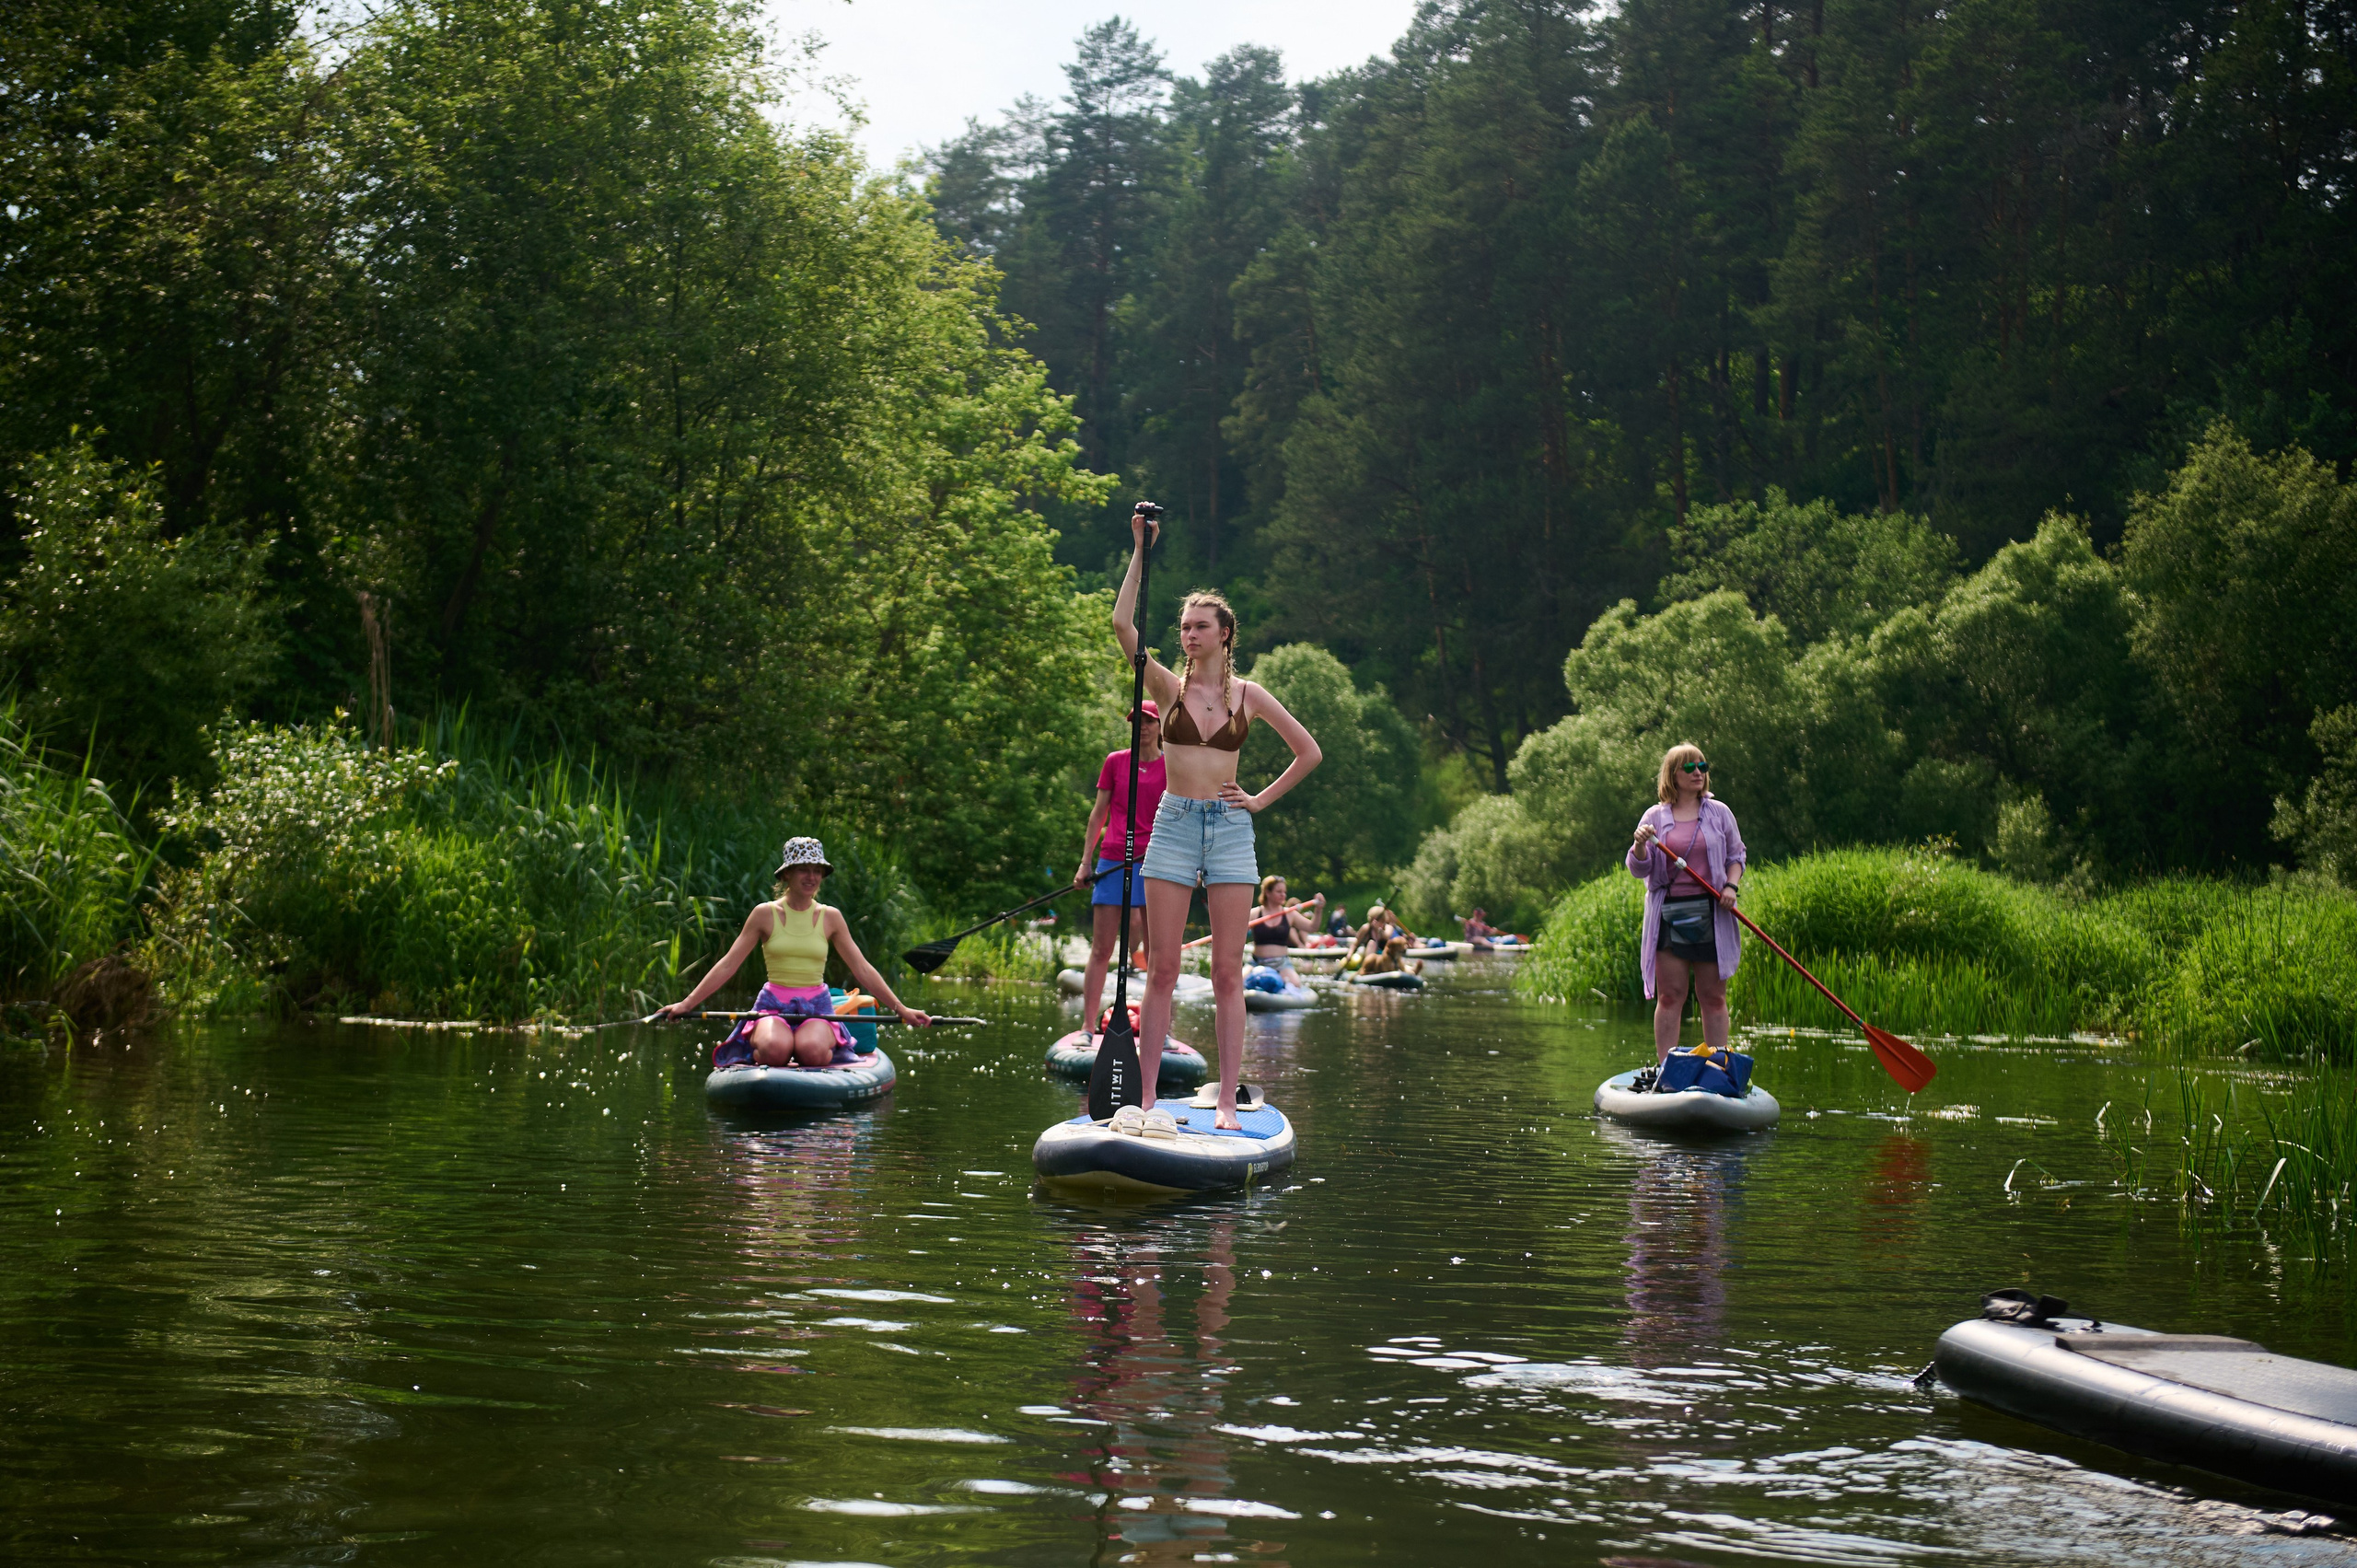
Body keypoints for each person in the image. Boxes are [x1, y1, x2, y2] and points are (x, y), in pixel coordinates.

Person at [1114, 505, 1322, 1131]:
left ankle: (1228, 1102)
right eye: (1183, 627)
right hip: (1174, 823)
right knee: (1165, 970)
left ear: (1226, 633)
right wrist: (1141, 553)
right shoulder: (1166, 688)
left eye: (1200, 626)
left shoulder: (1248, 696)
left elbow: (1309, 752)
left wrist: (1257, 798)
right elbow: (1123, 622)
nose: (1189, 635)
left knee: (1230, 972)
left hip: (1230, 829)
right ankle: (1146, 1101)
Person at [656, 837, 931, 1063]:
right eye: (803, 869)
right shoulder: (764, 914)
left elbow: (862, 968)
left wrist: (901, 1008)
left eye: (817, 870)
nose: (811, 876)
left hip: (817, 1008)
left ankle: (814, 1049)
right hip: (772, 1007)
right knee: (775, 1051)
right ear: (787, 873)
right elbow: (728, 964)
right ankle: (766, 1052)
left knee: (811, 1051)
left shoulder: (831, 917)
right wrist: (687, 1004)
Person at [1628, 743, 1746, 1063]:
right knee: (1670, 996)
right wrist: (1640, 846)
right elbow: (1640, 868)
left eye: (1702, 767)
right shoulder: (1654, 817)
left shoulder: (1719, 812)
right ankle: (1668, 1066)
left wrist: (1731, 887)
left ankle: (1718, 1064)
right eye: (1690, 768)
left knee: (1712, 996)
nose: (1698, 773)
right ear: (1673, 775)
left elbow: (1737, 856)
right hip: (1669, 914)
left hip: (1712, 911)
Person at [1074, 700, 1166, 1035]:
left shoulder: (1173, 767)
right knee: (1101, 949)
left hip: (1157, 862)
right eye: (1136, 721)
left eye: (1149, 721)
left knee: (1157, 955)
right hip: (1114, 858)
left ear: (1160, 726)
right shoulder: (1115, 762)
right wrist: (1085, 863)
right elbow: (1098, 815)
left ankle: (1161, 1031)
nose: (1141, 727)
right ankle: (1087, 1026)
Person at [1248, 874, 1326, 983]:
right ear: (1267, 892)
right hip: (1257, 962)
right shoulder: (1255, 913)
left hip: (1281, 964)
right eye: (1279, 892)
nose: (1283, 895)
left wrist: (1318, 910)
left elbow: (1312, 927)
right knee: (1238, 983)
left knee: (1296, 984)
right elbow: (1236, 931)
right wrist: (1242, 928)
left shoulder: (1289, 914)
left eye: (1284, 892)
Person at [1346, 902, 1422, 977]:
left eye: (1383, 921)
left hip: (1384, 958)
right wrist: (1349, 954)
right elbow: (1355, 944)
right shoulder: (1365, 928)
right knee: (1372, 943)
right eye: (1379, 921)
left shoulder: (1388, 928)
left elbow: (1386, 936)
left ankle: (1411, 970)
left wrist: (1379, 931)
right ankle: (1368, 969)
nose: (1382, 923)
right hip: (1369, 959)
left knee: (1396, 956)